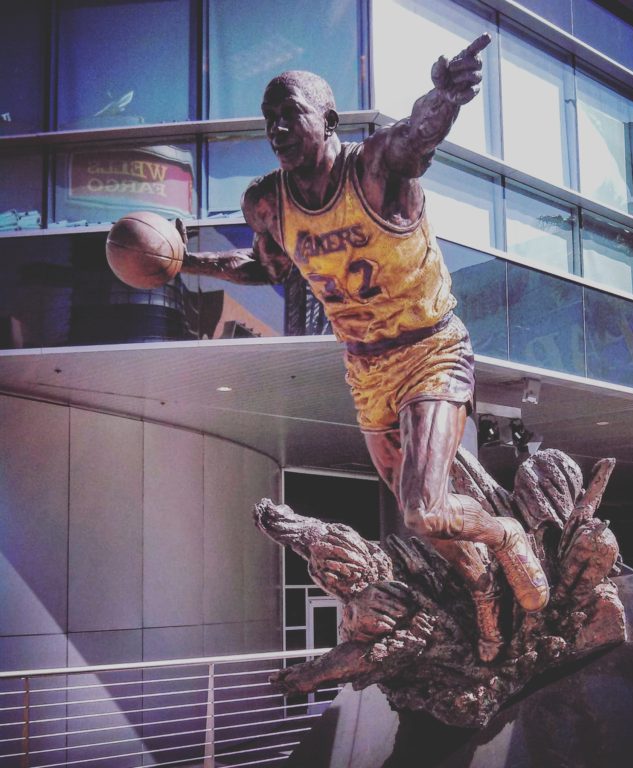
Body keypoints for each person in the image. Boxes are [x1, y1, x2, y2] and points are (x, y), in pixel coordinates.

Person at [180, 34, 548, 661]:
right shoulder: (268, 203)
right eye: (269, 119)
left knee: (423, 508)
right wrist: (184, 261)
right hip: (366, 367)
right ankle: (485, 592)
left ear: (328, 121)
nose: (276, 129)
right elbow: (267, 269)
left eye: (289, 114)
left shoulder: (373, 169)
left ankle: (508, 534)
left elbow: (417, 136)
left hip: (429, 348)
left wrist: (445, 96)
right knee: (425, 521)